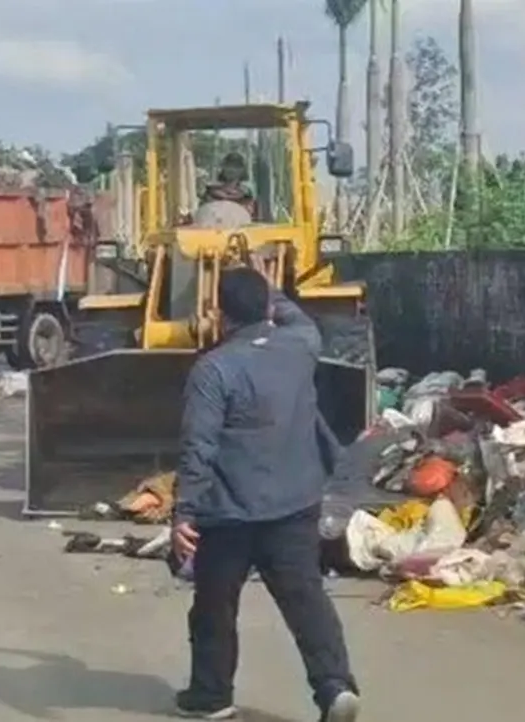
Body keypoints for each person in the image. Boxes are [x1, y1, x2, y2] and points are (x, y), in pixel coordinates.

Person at [170, 259, 359, 722]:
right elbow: (295, 315)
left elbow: (198, 447)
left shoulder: (213, 370)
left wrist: (183, 513)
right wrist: (270, 285)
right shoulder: (301, 345)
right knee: (306, 600)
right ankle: (334, 688)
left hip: (229, 514)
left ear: (221, 314)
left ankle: (212, 696)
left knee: (214, 605)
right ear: (268, 308)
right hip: (296, 504)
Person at [202, 152, 256, 216]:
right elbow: (203, 213)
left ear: (242, 170)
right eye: (228, 165)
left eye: (236, 166)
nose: (231, 169)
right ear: (223, 168)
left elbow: (250, 215)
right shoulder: (211, 192)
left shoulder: (246, 194)